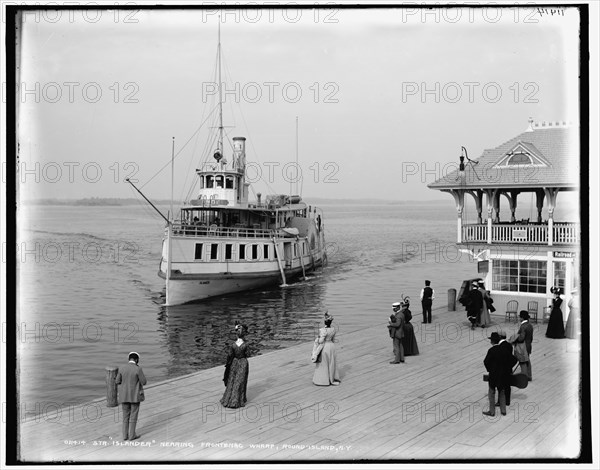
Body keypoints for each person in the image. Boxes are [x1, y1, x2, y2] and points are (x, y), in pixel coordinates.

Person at [483, 332, 517, 417]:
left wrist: (490, 369)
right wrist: (506, 368)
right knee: (502, 392)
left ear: (492, 342)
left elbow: (486, 362)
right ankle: (503, 411)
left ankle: (492, 411)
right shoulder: (504, 349)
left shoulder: (491, 350)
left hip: (493, 375)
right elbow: (514, 359)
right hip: (502, 374)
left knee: (491, 393)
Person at [116, 351, 147, 441]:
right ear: (136, 359)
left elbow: (117, 381)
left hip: (124, 396)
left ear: (129, 359)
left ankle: (125, 436)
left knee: (125, 416)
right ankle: (132, 435)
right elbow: (144, 382)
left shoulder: (122, 368)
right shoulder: (138, 369)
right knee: (133, 416)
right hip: (135, 397)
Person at [221, 324, 250, 408]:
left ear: (236, 334)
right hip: (243, 362)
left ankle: (228, 399)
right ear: (244, 334)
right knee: (240, 380)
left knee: (232, 380)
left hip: (234, 362)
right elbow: (248, 354)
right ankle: (239, 400)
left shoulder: (233, 345)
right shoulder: (246, 344)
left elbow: (230, 354)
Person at [312, 312, 341, 386]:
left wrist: (317, 339)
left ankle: (323, 380)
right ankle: (332, 377)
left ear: (325, 322)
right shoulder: (333, 329)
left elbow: (321, 341)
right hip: (332, 346)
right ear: (331, 322)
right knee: (331, 362)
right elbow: (333, 339)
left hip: (325, 347)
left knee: (323, 363)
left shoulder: (323, 330)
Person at [510, 310, 534, 381]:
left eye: (520, 317)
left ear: (522, 318)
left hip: (522, 347)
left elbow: (521, 338)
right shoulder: (530, 325)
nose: (519, 318)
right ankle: (529, 375)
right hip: (528, 345)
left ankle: (524, 376)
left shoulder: (523, 326)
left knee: (522, 361)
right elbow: (531, 337)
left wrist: (514, 339)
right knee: (527, 361)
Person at [496, 331, 515, 407]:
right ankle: (507, 401)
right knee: (507, 385)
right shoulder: (509, 345)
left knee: (500, 385)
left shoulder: (500, 346)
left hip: (501, 369)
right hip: (508, 368)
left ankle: (500, 401)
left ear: (500, 337)